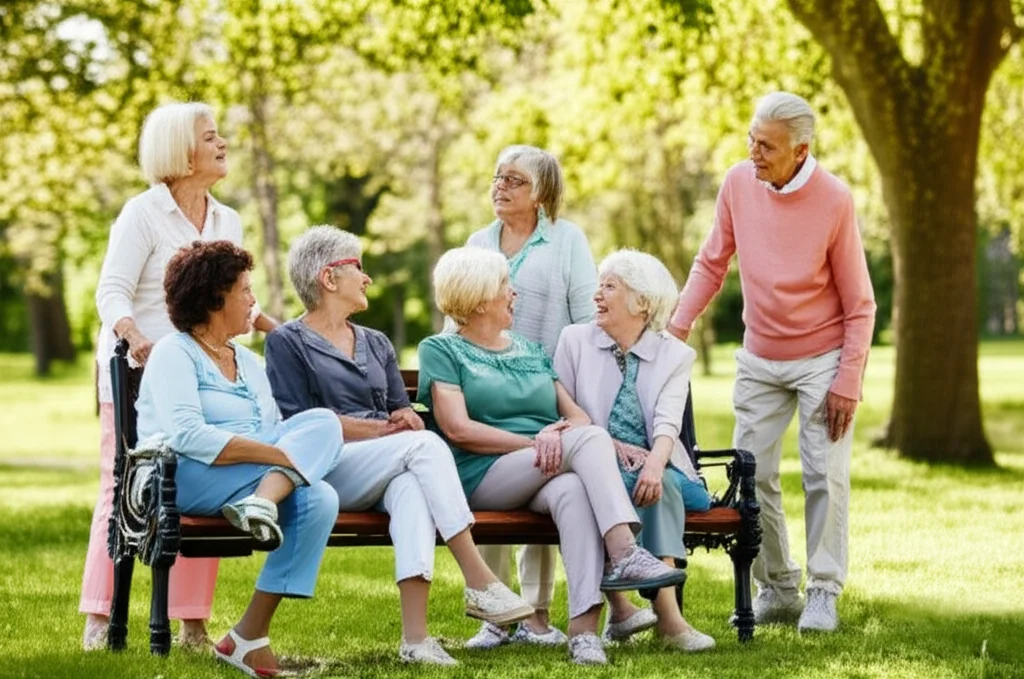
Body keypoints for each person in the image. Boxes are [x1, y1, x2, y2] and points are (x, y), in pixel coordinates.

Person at [263, 226, 534, 665]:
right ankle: (479, 579)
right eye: (358, 268)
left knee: (411, 486)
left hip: (386, 462)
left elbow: (398, 410)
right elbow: (300, 425)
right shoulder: (286, 342)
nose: (367, 278)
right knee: (423, 448)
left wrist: (406, 417)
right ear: (329, 279)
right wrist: (388, 432)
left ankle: (416, 639)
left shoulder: (375, 342)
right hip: (328, 469)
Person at [667, 92, 876, 633]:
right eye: (751, 140)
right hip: (760, 355)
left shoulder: (834, 199)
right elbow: (712, 262)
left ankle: (824, 591)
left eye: (767, 146)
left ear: (800, 151)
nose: (753, 152)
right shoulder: (738, 183)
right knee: (751, 475)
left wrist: (848, 379)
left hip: (821, 358)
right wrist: (675, 329)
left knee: (822, 474)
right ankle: (779, 586)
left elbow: (860, 303)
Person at [418, 246, 687, 665]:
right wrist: (537, 443)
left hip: (542, 467)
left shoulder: (529, 349)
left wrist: (557, 435)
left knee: (574, 493)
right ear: (479, 295)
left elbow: (576, 416)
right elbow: (458, 429)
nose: (514, 294)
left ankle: (584, 633)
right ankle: (624, 553)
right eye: (506, 286)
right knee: (587, 441)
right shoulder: (442, 349)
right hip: (482, 474)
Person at [84, 101, 277, 650]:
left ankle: (192, 622)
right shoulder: (142, 213)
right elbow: (111, 290)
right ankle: (101, 617)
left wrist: (275, 329)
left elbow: (238, 300)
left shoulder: (227, 219)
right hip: (138, 370)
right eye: (210, 136)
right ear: (180, 151)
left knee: (205, 470)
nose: (222, 144)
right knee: (121, 487)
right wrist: (134, 336)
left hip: (203, 374)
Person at [135, 241, 341, 676]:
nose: (253, 301)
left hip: (246, 477)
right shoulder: (175, 352)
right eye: (245, 290)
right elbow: (186, 434)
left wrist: (275, 453)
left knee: (321, 480)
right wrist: (277, 454)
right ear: (214, 299)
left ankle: (247, 636)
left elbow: (272, 426)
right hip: (178, 475)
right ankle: (264, 500)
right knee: (312, 452)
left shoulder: (249, 361)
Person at [464, 145, 609, 649]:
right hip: (485, 392)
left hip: (545, 389)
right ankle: (496, 615)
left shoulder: (566, 241)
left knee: (544, 492)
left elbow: (589, 322)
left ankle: (537, 614)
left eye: (514, 180)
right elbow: (457, 315)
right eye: (498, 177)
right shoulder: (479, 242)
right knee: (503, 493)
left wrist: (569, 395)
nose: (500, 186)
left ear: (541, 193)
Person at [554, 250, 715, 651]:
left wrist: (655, 465)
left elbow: (667, 423)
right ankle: (669, 621)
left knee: (659, 486)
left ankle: (629, 612)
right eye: (599, 285)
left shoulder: (676, 355)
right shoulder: (574, 341)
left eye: (610, 286)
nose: (597, 295)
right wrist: (608, 445)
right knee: (610, 486)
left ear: (642, 302)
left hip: (659, 464)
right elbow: (563, 412)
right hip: (592, 463)